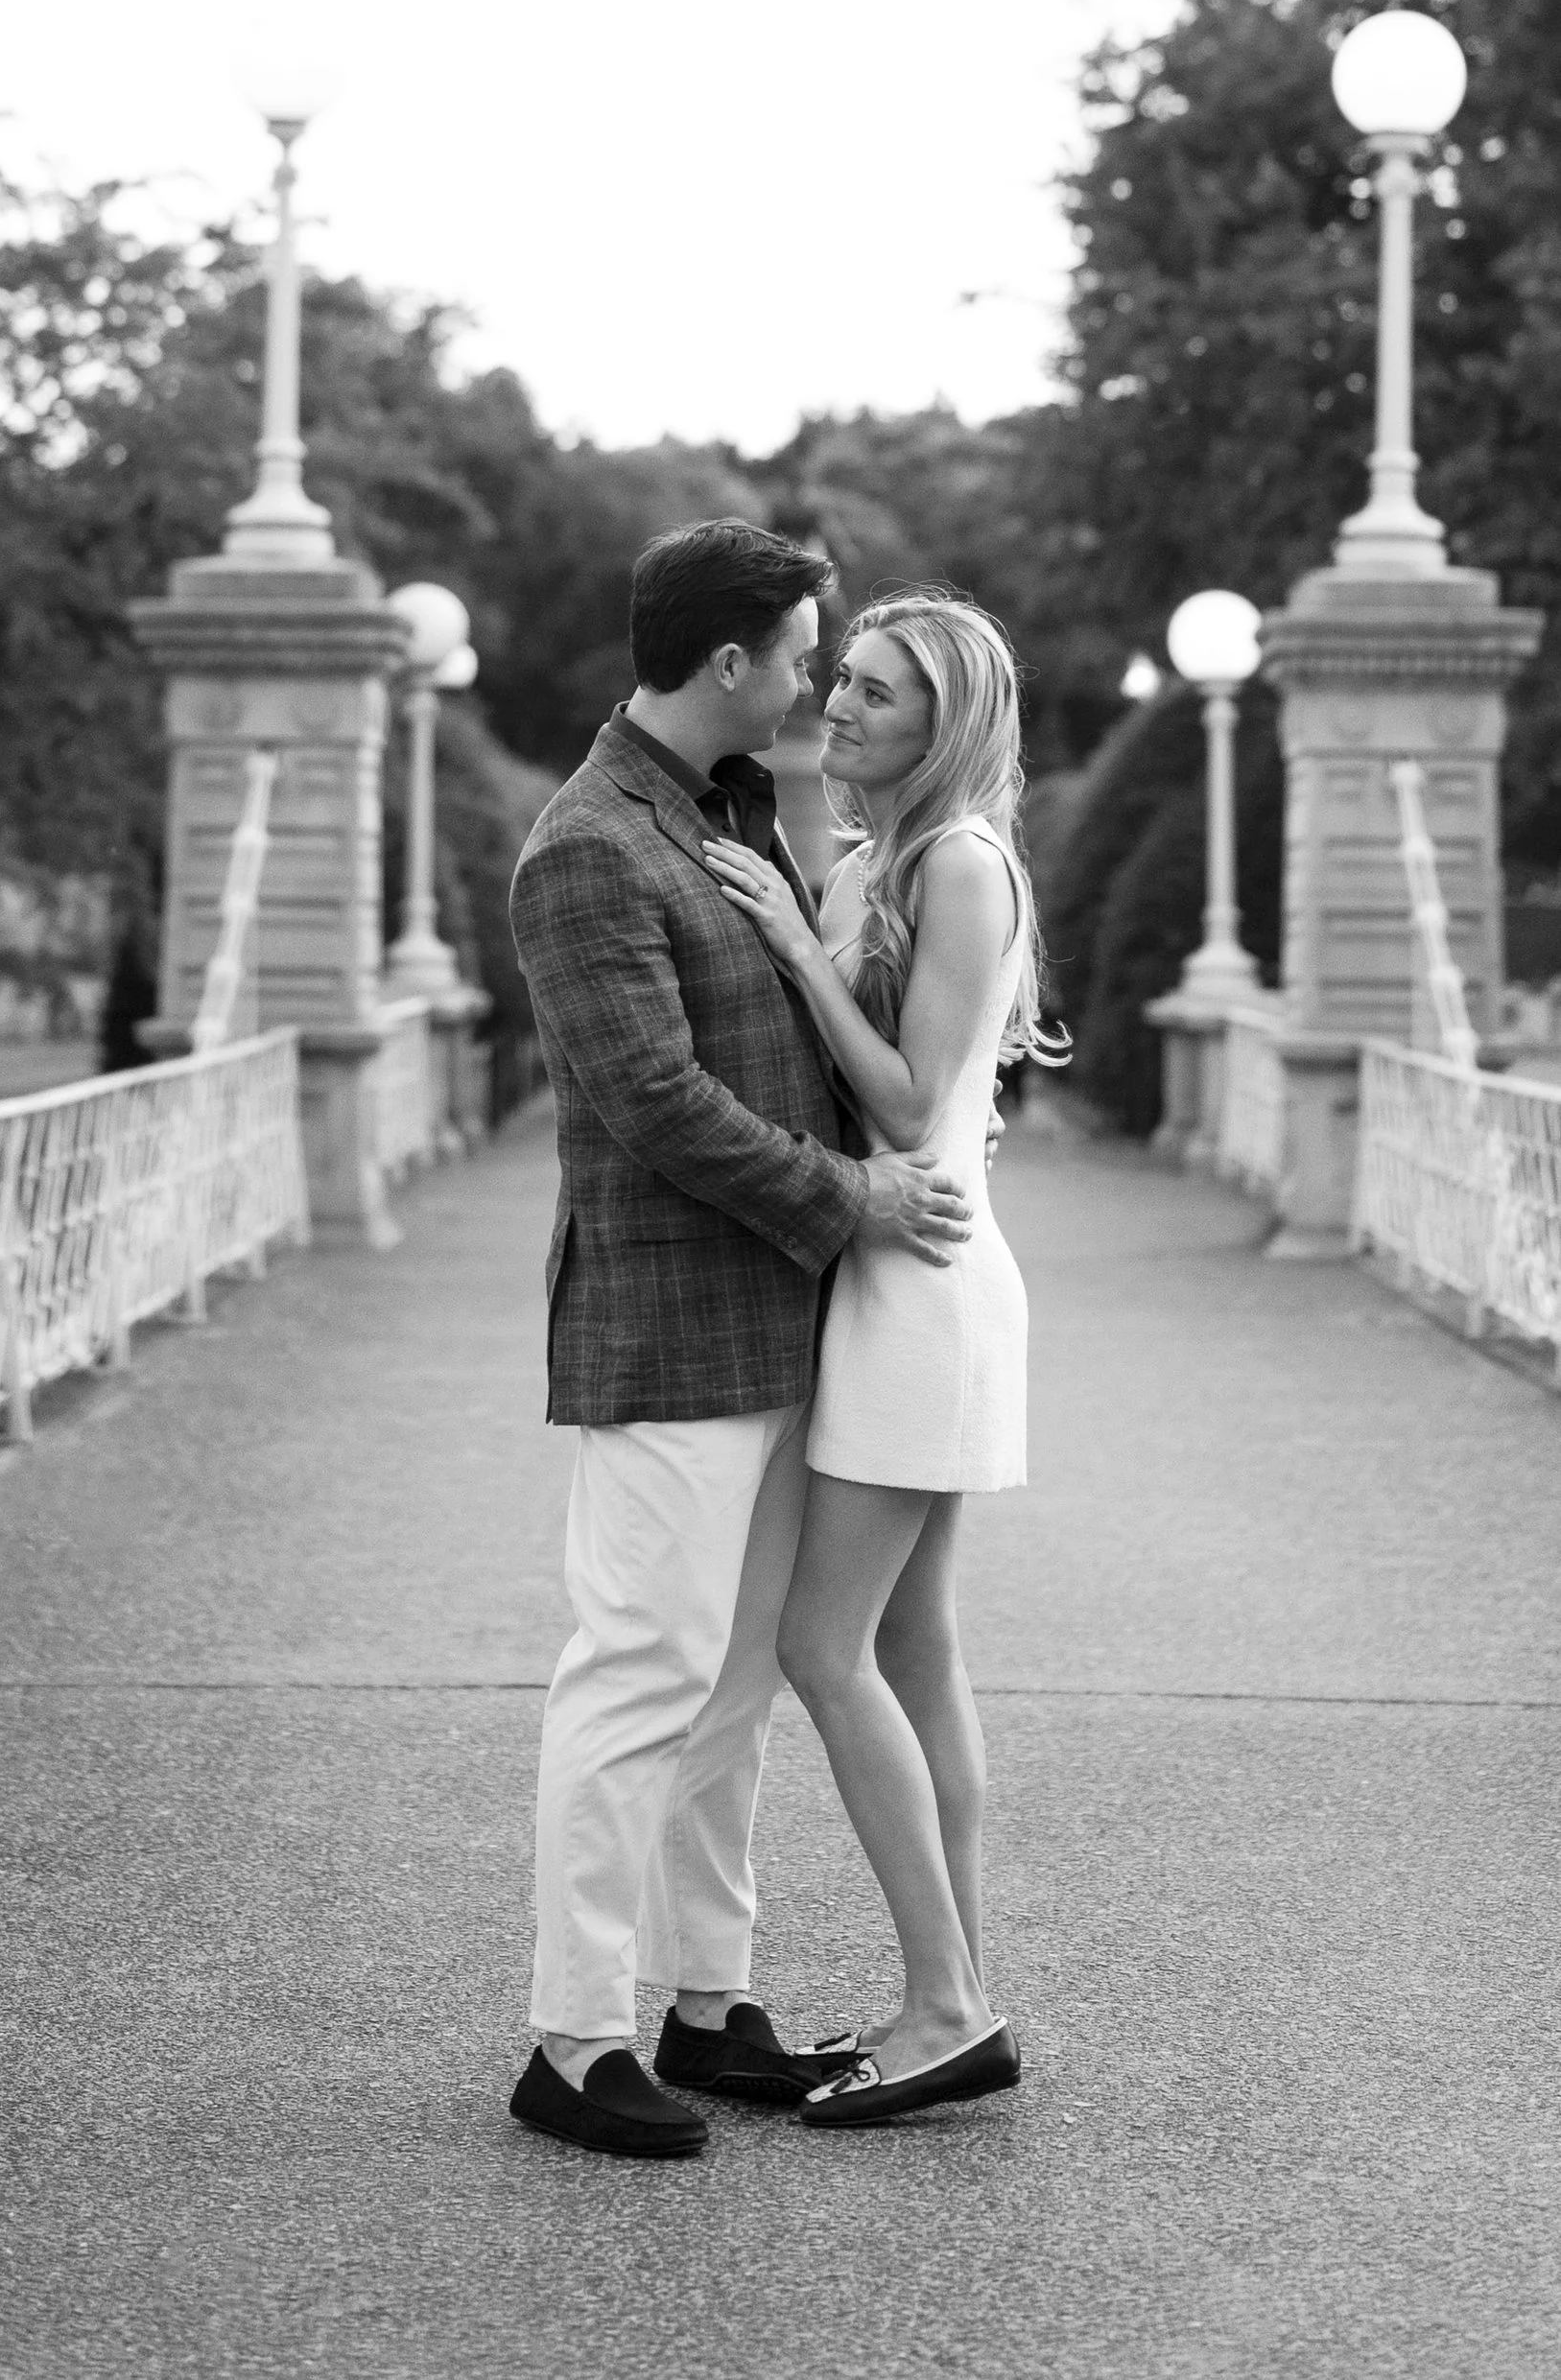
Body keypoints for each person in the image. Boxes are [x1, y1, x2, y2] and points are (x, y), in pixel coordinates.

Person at [504, 520, 974, 2162]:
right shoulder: (588, 847)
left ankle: (709, 2000)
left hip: (783, 1325)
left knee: (727, 1691)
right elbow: (654, 1103)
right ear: (728, 664)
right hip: (670, 1327)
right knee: (634, 1671)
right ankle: (572, 2036)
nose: (811, 683)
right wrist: (855, 1199)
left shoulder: (721, 814)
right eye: (798, 653)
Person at [704, 588, 1066, 2128]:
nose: (839, 706)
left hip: (924, 1283)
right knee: (914, 1647)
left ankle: (943, 2002)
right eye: (841, 678)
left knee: (821, 1645)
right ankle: (954, 1995)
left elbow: (917, 1111)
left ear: (950, 724)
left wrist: (789, 939)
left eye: (881, 694)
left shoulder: (960, 862)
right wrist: (815, 906)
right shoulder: (873, 858)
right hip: (891, 1272)